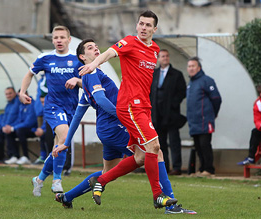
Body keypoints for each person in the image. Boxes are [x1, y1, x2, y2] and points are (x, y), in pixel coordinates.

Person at [53, 39, 195, 214]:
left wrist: (66, 141)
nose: (96, 48)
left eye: (96, 46)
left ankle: (67, 197)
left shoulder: (90, 77)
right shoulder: (92, 75)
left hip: (106, 130)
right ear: (82, 57)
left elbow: (78, 114)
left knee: (108, 170)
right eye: (90, 48)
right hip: (114, 127)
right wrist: (124, 115)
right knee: (154, 152)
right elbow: (102, 100)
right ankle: (170, 205)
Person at [78, 10, 176, 209]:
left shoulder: (155, 49)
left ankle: (102, 181)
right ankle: (159, 196)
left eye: (148, 25)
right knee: (155, 148)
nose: (143, 28)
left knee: (141, 157)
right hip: (130, 105)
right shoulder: (129, 42)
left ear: (154, 29)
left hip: (144, 106)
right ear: (136, 26)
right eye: (141, 24)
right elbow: (109, 53)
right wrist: (93, 64)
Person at [19, 25, 82, 196]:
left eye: (62, 37)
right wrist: (22, 92)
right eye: (56, 38)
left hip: (71, 107)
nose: (59, 40)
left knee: (58, 146)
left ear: (69, 40)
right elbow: (29, 74)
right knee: (64, 137)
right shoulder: (45, 58)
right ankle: (57, 180)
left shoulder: (77, 60)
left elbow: (88, 83)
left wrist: (77, 80)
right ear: (52, 40)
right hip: (53, 106)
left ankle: (39, 179)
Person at [150, 49, 187, 175]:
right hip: (156, 114)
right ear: (158, 59)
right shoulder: (153, 74)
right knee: (160, 143)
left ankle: (177, 167)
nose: (165, 58)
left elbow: (182, 92)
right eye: (162, 56)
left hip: (171, 115)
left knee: (174, 141)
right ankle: (164, 167)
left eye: (166, 56)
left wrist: (173, 103)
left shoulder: (176, 74)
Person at [186, 56, 222, 177]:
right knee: (198, 146)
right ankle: (202, 169)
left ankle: (209, 169)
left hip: (204, 120)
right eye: (189, 66)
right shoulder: (190, 83)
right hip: (193, 121)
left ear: (199, 67)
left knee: (205, 144)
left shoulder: (207, 80)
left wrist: (212, 114)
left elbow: (216, 99)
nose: (191, 68)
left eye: (193, 66)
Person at [0, 87, 20, 164]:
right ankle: (0, 157)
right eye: (6, 94)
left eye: (10, 93)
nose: (8, 95)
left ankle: (14, 156)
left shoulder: (18, 103)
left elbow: (20, 117)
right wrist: (3, 126)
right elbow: (4, 117)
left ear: (15, 93)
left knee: (9, 133)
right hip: (7, 127)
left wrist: (11, 127)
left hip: (15, 127)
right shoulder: (8, 105)